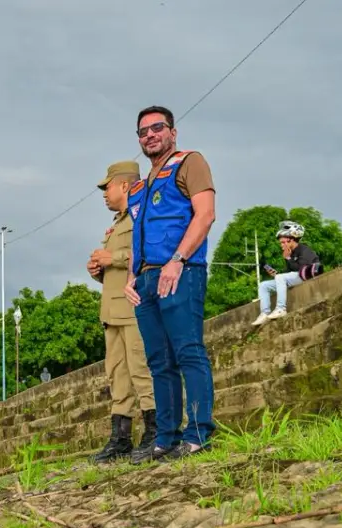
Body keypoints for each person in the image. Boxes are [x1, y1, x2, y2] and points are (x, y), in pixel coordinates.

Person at [123, 105, 218, 463]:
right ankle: (165, 437)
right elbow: (139, 234)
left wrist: (177, 261)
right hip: (146, 281)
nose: (150, 135)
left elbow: (205, 214)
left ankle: (197, 434)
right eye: (143, 131)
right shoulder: (139, 187)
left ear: (172, 132)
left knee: (187, 350)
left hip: (180, 271)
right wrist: (132, 276)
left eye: (157, 128)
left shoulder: (189, 162)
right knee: (158, 361)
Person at [87, 160, 157, 463]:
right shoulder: (118, 223)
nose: (104, 192)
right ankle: (121, 438)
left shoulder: (142, 215)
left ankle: (155, 431)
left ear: (125, 185)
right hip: (112, 311)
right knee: (117, 376)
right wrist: (98, 269)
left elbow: (149, 251)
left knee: (141, 370)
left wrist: (111, 257)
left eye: (108, 186)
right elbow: (117, 266)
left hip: (133, 306)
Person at [252, 220, 324, 325]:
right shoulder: (290, 253)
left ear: (291, 240)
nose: (281, 245)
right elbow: (289, 272)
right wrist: (276, 274)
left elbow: (300, 269)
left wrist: (288, 258)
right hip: (296, 277)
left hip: (306, 276)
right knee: (264, 285)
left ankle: (281, 308)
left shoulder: (304, 250)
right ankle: (264, 313)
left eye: (283, 242)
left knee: (280, 277)